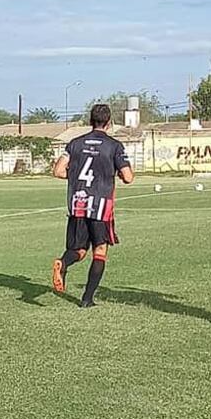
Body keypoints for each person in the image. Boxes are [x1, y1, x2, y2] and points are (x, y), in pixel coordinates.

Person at [51, 103, 134, 308]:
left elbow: (58, 171)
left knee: (78, 250)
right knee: (100, 250)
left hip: (78, 203)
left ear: (90, 121)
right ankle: (87, 299)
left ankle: (63, 263)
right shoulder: (114, 146)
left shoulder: (74, 143)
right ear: (109, 122)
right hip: (100, 205)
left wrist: (76, 178)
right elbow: (128, 177)